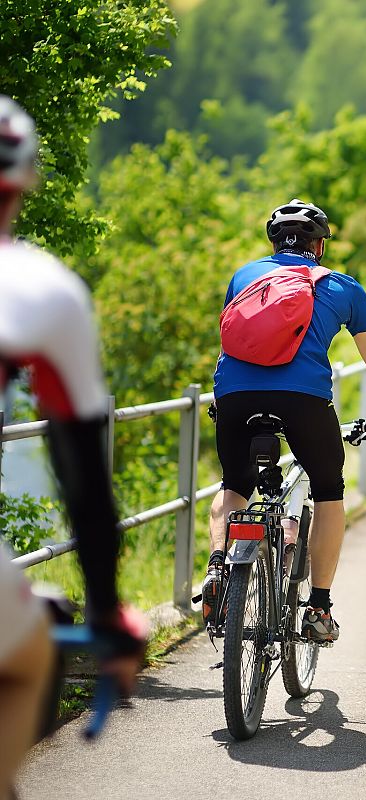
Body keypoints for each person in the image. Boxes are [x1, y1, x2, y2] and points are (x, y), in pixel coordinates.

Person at [0, 95, 145, 791]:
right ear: (23, 178)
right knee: (30, 645)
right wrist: (108, 617)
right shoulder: (40, 287)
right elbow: (83, 477)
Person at [204, 199, 366, 643]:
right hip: (304, 401)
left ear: (274, 242)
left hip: (235, 396)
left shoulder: (245, 276)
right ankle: (318, 608)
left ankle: (217, 567)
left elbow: (232, 340)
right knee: (328, 490)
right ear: (320, 246)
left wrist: (227, 399)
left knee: (233, 488)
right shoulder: (342, 287)